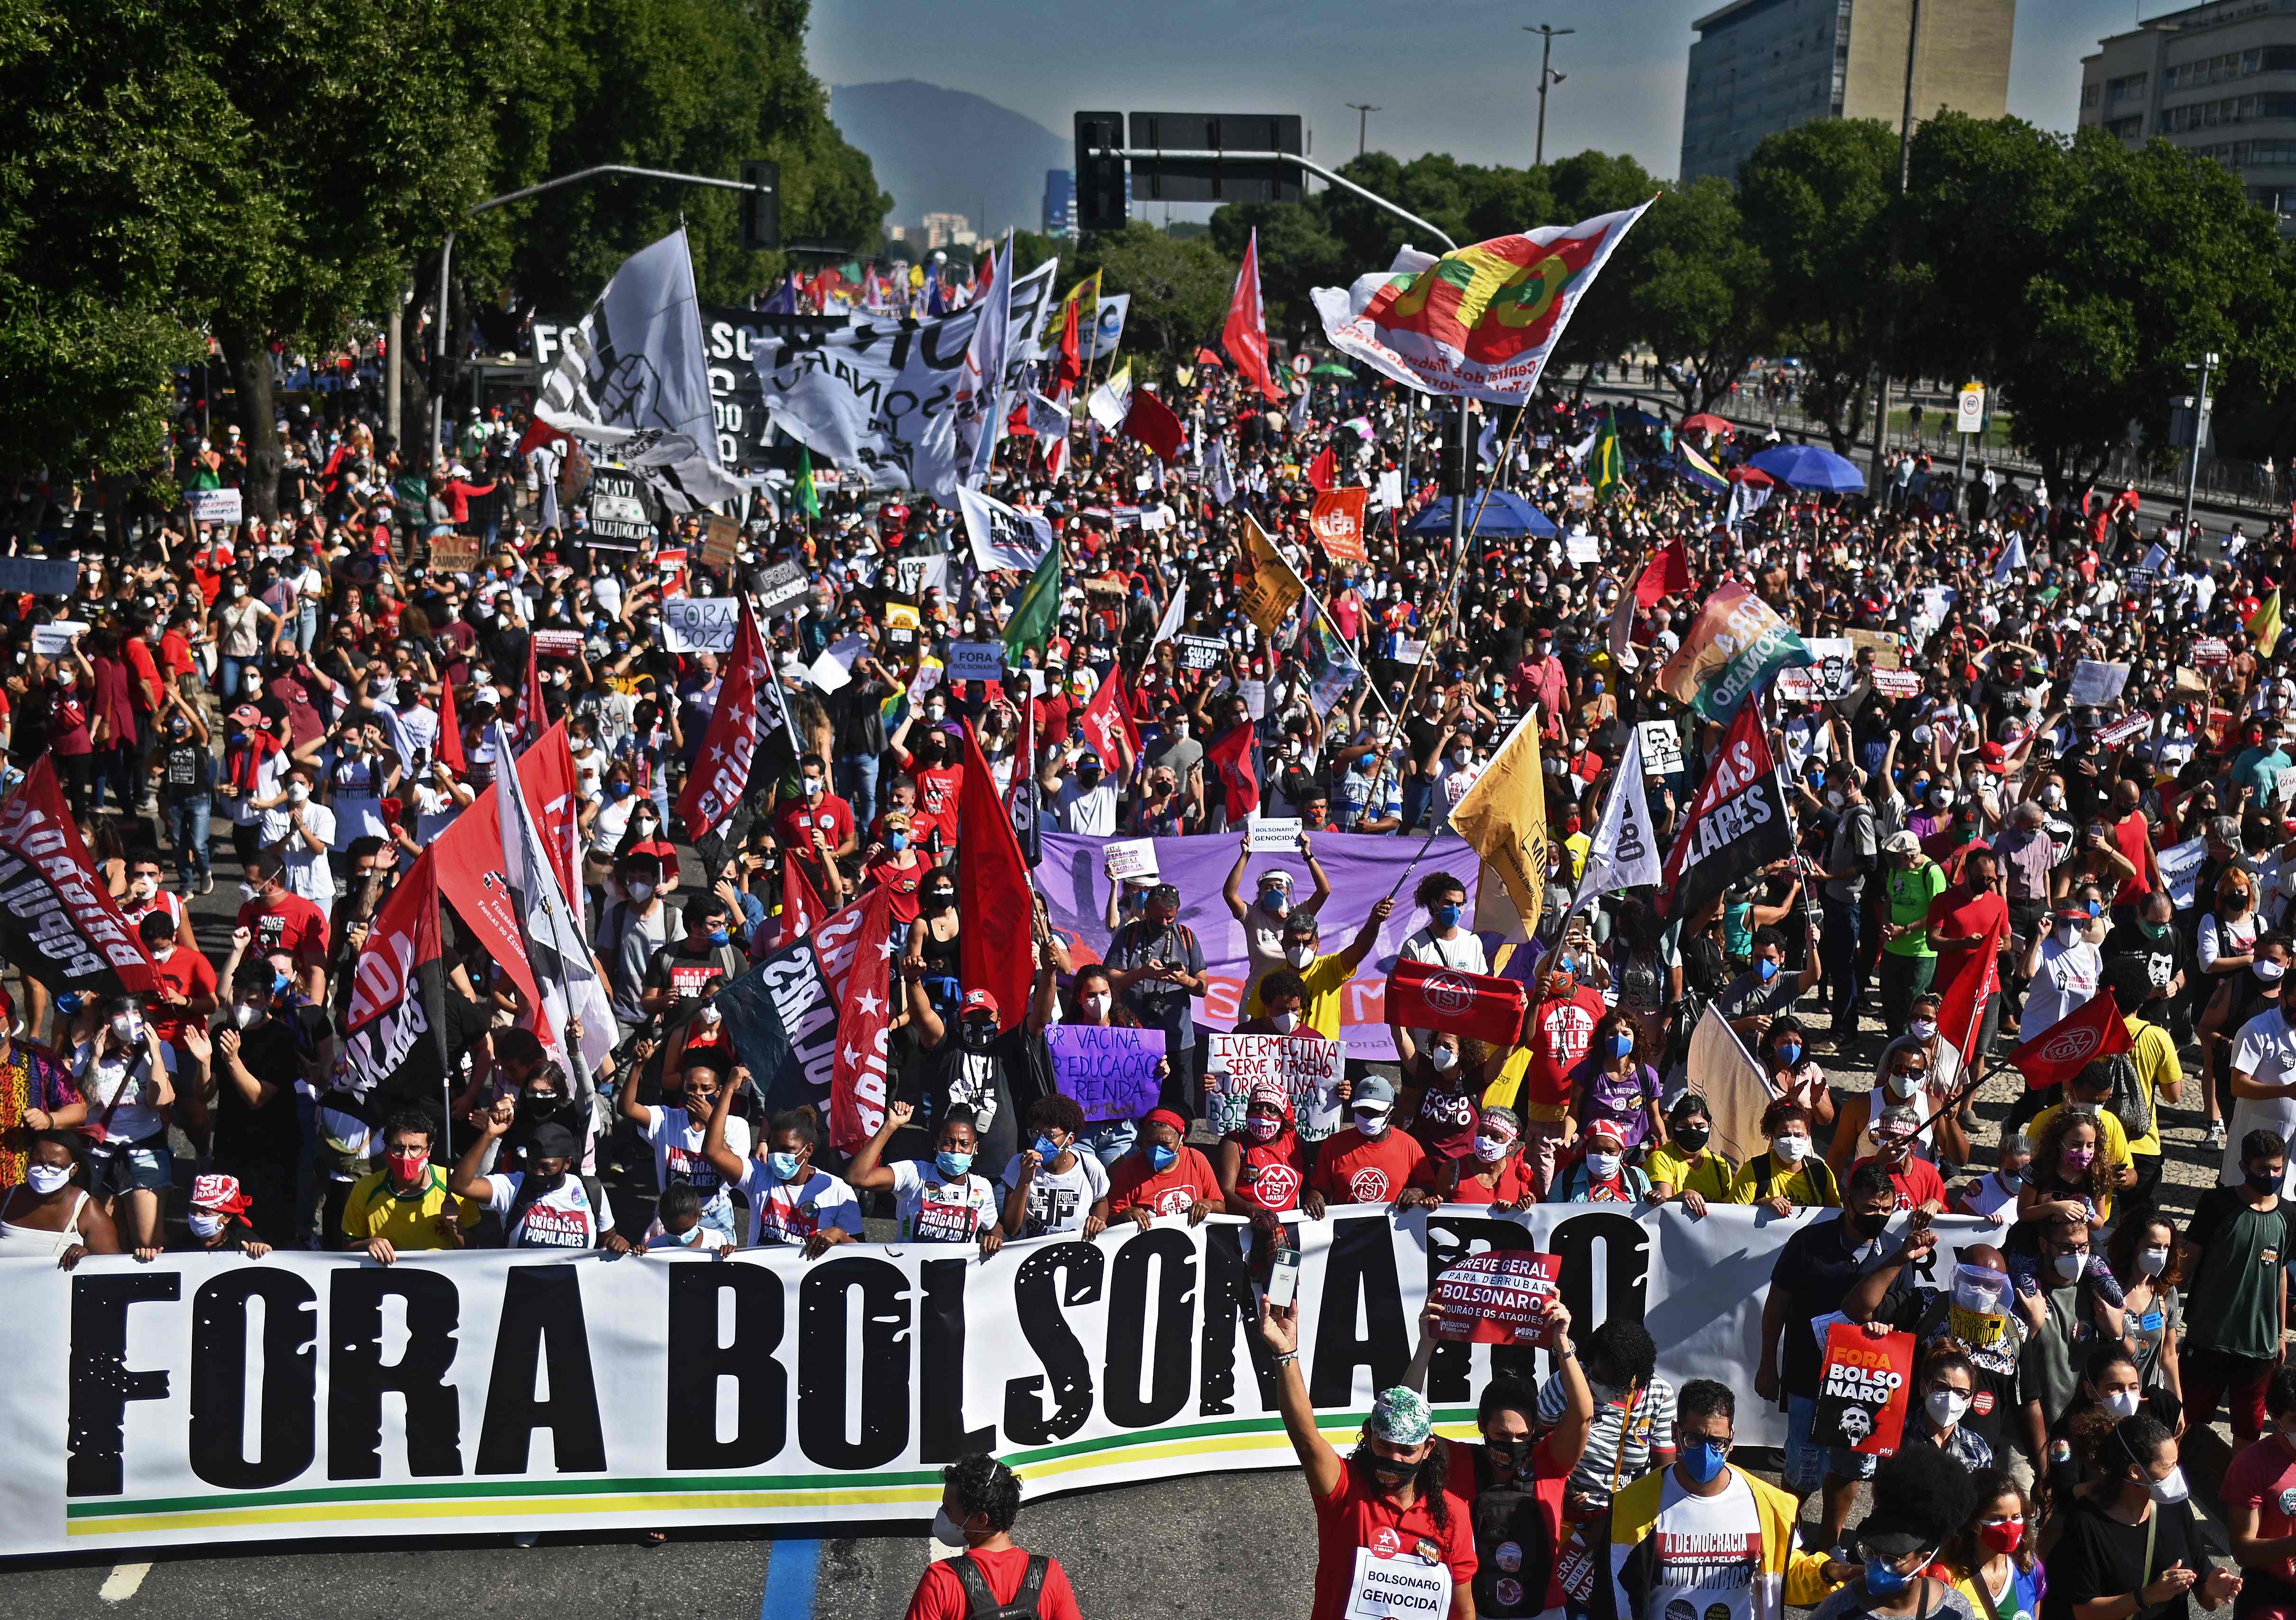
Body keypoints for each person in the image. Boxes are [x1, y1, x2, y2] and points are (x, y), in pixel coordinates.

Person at [1257, 1294, 1478, 1620]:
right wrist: (1285, 1354)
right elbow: (1306, 1440)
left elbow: (1463, 1610)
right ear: (1369, 1436)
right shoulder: (1344, 1489)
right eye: (1385, 1446)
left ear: (1428, 1449)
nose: (1395, 1459)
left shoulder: (1452, 1513)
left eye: (1407, 1451)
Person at [1399, 1295, 1595, 1620]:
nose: (1512, 1444)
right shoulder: (1458, 1461)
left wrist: (1562, 1343)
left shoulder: (1550, 1463)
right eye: (1502, 1436)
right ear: (1482, 1426)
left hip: (1542, 1609)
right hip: (1472, 1608)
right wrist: (1425, 1347)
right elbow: (1407, 1420)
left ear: (1535, 1430)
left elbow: (1583, 1415)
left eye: (1522, 1436)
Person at [1756, 1162, 1910, 1552]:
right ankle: (1783, 1536)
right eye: (1869, 1209)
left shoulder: (1897, 1251)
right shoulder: (1808, 1243)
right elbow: (1777, 1306)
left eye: (1886, 1209)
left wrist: (1886, 1328)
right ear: (1847, 1202)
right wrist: (1766, 1363)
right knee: (1802, 1467)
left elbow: (1904, 1312)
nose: (1878, 1216)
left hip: (1864, 1384)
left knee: (1851, 1467)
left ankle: (1830, 1544)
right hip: (1808, 1376)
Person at [1609, 1377, 1835, 1620]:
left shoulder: (1768, 1505)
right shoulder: (1632, 1505)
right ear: (1676, 1433)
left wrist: (1828, 1572)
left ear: (1731, 1439)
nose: (1706, 1454)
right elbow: (1615, 1590)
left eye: (1717, 1442)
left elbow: (1786, 1575)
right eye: (1694, 1439)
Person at [2039, 1414, 2239, 1620]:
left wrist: (2214, 1590)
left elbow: (2207, 1599)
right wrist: (2149, 1596)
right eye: (2168, 1467)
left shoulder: (2175, 1507)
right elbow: (2084, 1612)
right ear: (2135, 1472)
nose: (2177, 1473)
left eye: (2176, 1463)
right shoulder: (2086, 1523)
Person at [2179, 1128, 2295, 1450]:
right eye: (2262, 1169)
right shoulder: (2217, 1203)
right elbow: (2190, 1257)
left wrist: (2281, 1332)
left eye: (2277, 1169)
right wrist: (2164, 1299)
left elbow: (2281, 1274)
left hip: (2259, 1346)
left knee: (2249, 1428)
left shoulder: (2289, 1215)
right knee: (2187, 1418)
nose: (2271, 1176)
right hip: (2209, 1337)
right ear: (2244, 1167)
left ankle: (2237, 1490)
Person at [902, 1453, 1084, 1620]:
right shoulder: (1049, 1575)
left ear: (981, 1519)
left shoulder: (941, 1580)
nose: (943, 1514)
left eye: (948, 1509)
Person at [1809, 1444, 1977, 1620]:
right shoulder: (1840, 1608)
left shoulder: (1955, 1611)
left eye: (1892, 1559)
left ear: (1925, 1560)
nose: (1876, 1566)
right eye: (1870, 1552)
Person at [702, 1085, 863, 1255]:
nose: (777, 1156)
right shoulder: (758, 1176)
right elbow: (713, 1152)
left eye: (787, 1150)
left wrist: (840, 1235)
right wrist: (728, 1092)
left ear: (808, 1150)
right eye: (773, 1148)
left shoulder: (838, 1191)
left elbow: (863, 1253)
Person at [452, 1115, 629, 1253]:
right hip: (523, 1293)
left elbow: (608, 1236)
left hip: (574, 1295)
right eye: (532, 1164)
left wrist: (617, 1242)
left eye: (547, 1167)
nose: (538, 1172)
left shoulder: (591, 1191)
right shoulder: (513, 1187)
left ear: (567, 1163)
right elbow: (461, 1185)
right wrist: (490, 1135)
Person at [847, 1100, 1004, 1253]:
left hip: (958, 1275)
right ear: (937, 1144)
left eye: (964, 1144)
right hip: (910, 1270)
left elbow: (993, 1226)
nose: (956, 1150)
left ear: (975, 1148)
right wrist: (890, 1126)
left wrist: (995, 1238)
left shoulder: (981, 1187)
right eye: (948, 1142)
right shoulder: (915, 1173)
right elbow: (856, 1177)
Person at [339, 1110, 477, 1263]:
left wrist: (453, 1226)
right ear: (387, 1149)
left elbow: (476, 1250)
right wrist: (369, 1244)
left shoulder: (455, 1185)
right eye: (398, 1148)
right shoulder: (365, 1189)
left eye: (415, 1148)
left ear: (430, 1149)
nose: (406, 1157)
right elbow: (348, 1247)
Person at [2222, 1366, 2296, 1620]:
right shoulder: (2250, 1466)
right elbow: (2243, 1550)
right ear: (2274, 1418)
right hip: (2272, 1600)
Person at [0, 1130, 121, 1267]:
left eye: (54, 1166)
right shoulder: (8, 1198)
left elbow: (113, 1268)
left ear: (74, 1169)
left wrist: (88, 1258)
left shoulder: (87, 1210)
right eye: (38, 1163)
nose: (44, 1171)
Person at [1000, 1093, 1112, 1240]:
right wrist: (1025, 1181)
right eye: (1036, 1133)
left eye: (1049, 1135)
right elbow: (1011, 1229)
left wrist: (1099, 1220)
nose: (1040, 1142)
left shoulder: (1089, 1166)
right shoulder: (1019, 1164)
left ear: (1069, 1139)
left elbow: (1101, 1201)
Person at [1313, 1075, 1435, 1208]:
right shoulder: (1333, 1146)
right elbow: (1319, 1189)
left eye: (1374, 1112)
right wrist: (1314, 1198)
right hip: (1347, 1228)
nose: (1367, 1117)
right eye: (1362, 1110)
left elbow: (1429, 1187)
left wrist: (1418, 1192)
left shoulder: (1409, 1146)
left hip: (1392, 1228)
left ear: (1390, 1114)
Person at [1946, 1471, 2046, 1620]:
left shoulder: (2031, 1569)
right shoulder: (1949, 1578)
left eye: (2016, 1517)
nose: (2010, 1527)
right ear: (1974, 1523)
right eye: (1998, 1519)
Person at [1110, 1107, 1224, 1227]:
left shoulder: (1195, 1160)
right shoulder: (1129, 1169)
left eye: (1166, 1144)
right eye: (1151, 1142)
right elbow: (1112, 1219)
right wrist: (1125, 1214)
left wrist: (1209, 1205)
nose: (1157, 1149)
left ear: (1181, 1141)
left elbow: (1221, 1207)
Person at [1728, 1101, 1840, 1210]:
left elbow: (1837, 1215)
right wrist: (1761, 1204)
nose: (1792, 1141)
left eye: (1799, 1135)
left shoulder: (1821, 1171)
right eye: (1784, 1135)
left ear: (1808, 1137)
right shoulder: (1754, 1171)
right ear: (1772, 1137)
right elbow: (1733, 1217)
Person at [1645, 1094, 1734, 1214]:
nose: (1693, 1131)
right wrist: (1683, 1196)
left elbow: (1730, 1208)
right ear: (1673, 1127)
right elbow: (1661, 1207)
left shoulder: (1720, 1165)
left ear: (1710, 1126)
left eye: (1700, 1126)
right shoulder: (1661, 1158)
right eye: (1685, 1127)